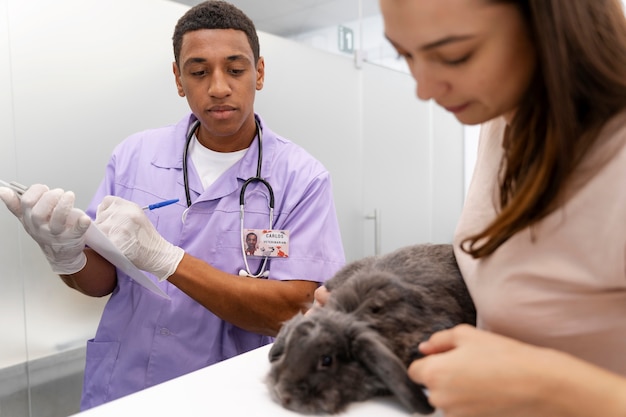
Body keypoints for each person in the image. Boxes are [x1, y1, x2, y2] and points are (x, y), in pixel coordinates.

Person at [0, 0, 345, 410]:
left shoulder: (301, 178)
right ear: (179, 79)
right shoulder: (134, 156)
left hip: (229, 391)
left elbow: (293, 309)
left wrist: (166, 259)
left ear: (260, 73)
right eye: (199, 72)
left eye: (235, 69)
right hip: (127, 384)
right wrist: (64, 253)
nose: (218, 87)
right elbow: (102, 282)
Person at [316, 0, 626, 415]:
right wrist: (383, 296)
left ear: (550, 23)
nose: (423, 89)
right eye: (404, 54)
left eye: (454, 56)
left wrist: (538, 385)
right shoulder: (503, 117)